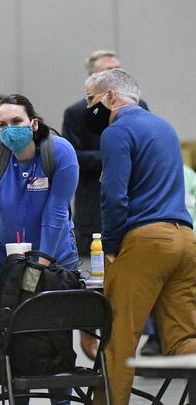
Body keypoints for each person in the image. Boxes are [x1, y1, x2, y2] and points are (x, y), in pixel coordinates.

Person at [84, 68, 196, 405]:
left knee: (119, 341)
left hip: (146, 241)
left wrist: (114, 246)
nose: (89, 108)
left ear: (111, 96)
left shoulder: (117, 131)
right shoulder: (165, 127)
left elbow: (114, 196)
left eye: (91, 99)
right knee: (184, 340)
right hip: (186, 240)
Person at [0, 94, 79, 405]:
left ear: (34, 123)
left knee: (55, 333)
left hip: (56, 259)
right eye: (1, 125)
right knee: (13, 336)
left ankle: (61, 399)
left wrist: (40, 265)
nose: (9, 130)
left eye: (16, 122)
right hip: (6, 261)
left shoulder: (60, 152)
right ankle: (18, 399)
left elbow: (57, 211)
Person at [62, 50, 149, 257]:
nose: (116, 73)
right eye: (109, 70)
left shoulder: (139, 106)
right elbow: (73, 157)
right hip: (92, 206)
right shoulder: (77, 112)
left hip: (133, 204)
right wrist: (113, 156)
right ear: (93, 78)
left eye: (118, 69)